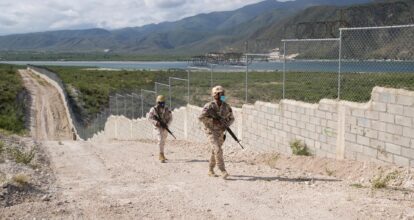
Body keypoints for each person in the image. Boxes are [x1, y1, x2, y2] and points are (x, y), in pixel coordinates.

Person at [199, 86, 234, 179]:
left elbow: (232, 118)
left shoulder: (226, 106)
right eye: (219, 94)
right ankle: (222, 170)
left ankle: (210, 169)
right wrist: (212, 121)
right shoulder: (209, 106)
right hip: (211, 131)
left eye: (222, 94)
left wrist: (226, 124)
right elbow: (201, 117)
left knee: (215, 151)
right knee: (218, 149)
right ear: (214, 95)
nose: (221, 95)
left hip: (220, 131)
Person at [148, 95, 173, 163]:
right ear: (157, 102)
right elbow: (149, 118)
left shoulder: (167, 109)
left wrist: (167, 125)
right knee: (160, 140)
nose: (161, 104)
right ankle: (161, 154)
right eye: (160, 103)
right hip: (158, 127)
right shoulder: (153, 109)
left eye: (162, 102)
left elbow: (170, 118)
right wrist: (156, 122)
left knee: (163, 140)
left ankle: (162, 153)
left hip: (165, 126)